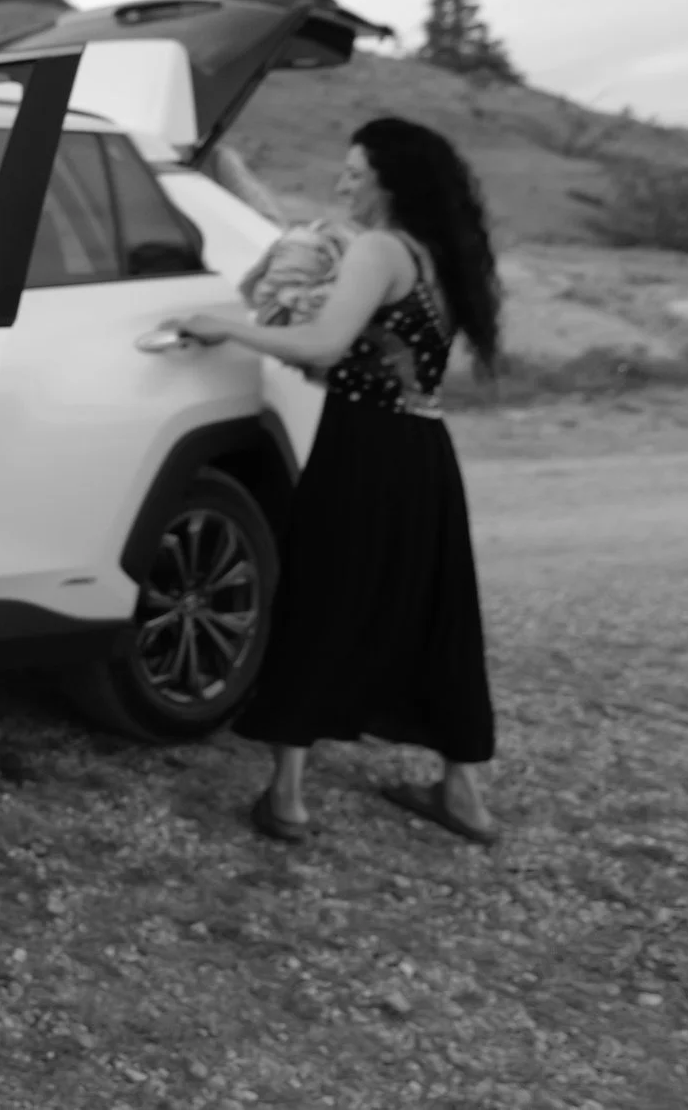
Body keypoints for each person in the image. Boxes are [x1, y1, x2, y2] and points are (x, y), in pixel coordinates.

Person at [174, 116, 504, 847]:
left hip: (364, 448)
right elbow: (375, 353)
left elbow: (325, 341)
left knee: (323, 595)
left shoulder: (380, 249)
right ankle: (464, 793)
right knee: (437, 610)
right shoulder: (443, 253)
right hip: (425, 449)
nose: (342, 182)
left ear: (391, 179)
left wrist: (227, 327)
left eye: (356, 171)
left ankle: (288, 795)